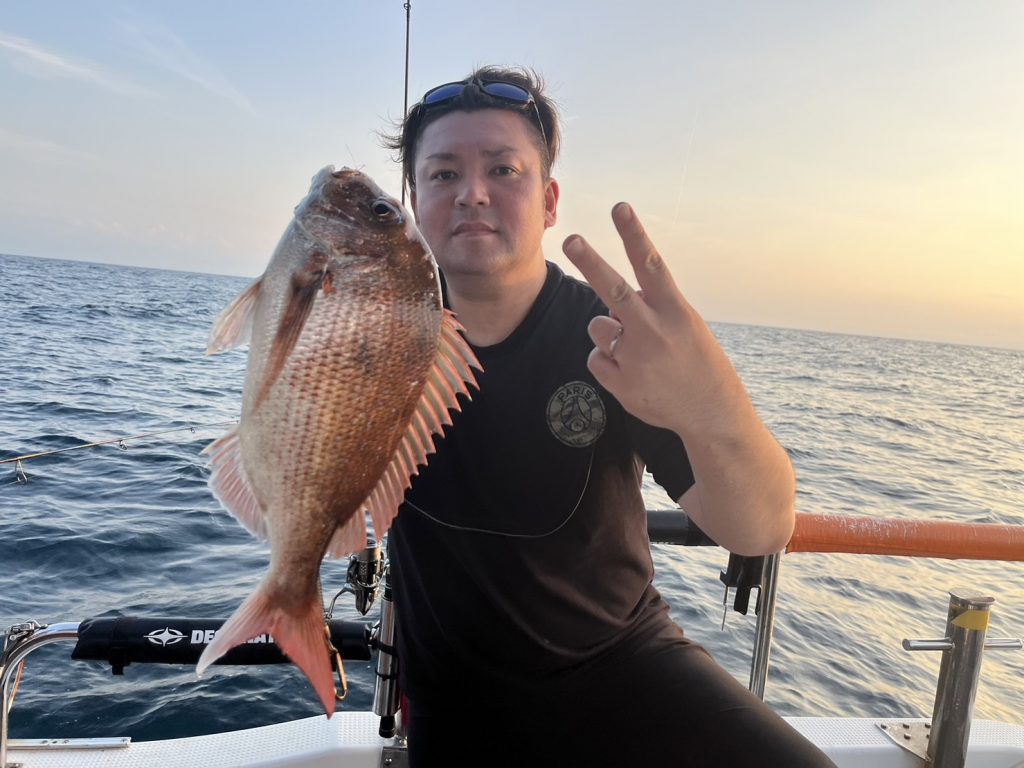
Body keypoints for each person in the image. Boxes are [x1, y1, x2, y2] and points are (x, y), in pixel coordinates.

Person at [382, 65, 835, 767]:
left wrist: (714, 405)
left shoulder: (615, 337)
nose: (472, 193)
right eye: (443, 174)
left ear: (549, 200)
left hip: (624, 667)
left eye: (503, 169)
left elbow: (761, 528)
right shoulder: (373, 339)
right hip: (455, 701)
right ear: (415, 201)